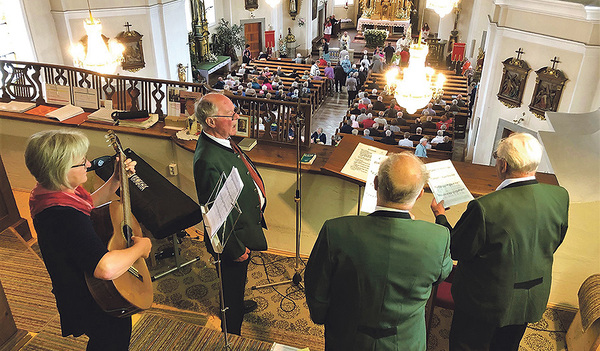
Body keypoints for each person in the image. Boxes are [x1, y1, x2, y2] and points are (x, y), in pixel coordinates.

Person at [430, 133, 569, 351]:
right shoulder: (559, 196)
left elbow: (456, 248)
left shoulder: (485, 207)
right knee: (507, 345)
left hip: (485, 301)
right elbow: (556, 240)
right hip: (531, 295)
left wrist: (440, 216)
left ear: (502, 164)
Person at [305, 152, 452, 350]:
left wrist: (320, 316)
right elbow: (440, 275)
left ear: (375, 183)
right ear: (419, 194)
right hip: (404, 341)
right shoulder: (438, 237)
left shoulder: (335, 231)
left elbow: (317, 284)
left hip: (346, 337)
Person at [25, 130, 151, 351]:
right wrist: (141, 248)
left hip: (84, 282)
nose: (89, 164)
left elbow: (86, 206)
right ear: (61, 171)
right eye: (81, 162)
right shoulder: (63, 215)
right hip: (91, 295)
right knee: (111, 338)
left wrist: (115, 181)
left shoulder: (50, 192)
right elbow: (105, 269)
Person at [193, 93, 267, 335]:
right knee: (231, 288)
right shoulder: (207, 159)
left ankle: (236, 304)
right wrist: (234, 249)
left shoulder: (222, 139)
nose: (237, 117)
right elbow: (214, 211)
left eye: (235, 111)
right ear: (211, 122)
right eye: (230, 115)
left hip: (243, 229)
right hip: (231, 242)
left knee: (237, 284)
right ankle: (231, 333)